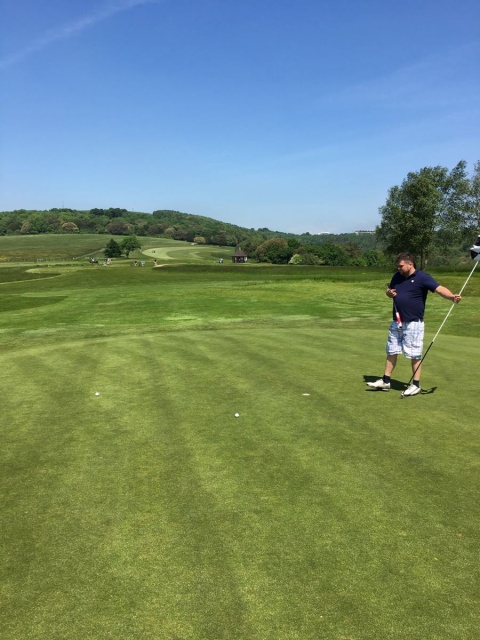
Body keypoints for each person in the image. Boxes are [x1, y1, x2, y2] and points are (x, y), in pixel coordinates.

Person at [367, 252, 461, 396]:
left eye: (401, 266)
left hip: (414, 323)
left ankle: (416, 385)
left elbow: (439, 289)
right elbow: (390, 290)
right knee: (391, 350)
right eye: (398, 266)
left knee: (414, 354)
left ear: (410, 264)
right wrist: (389, 293)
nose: (398, 268)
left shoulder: (422, 277)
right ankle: (386, 380)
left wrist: (452, 297)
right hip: (397, 320)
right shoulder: (397, 276)